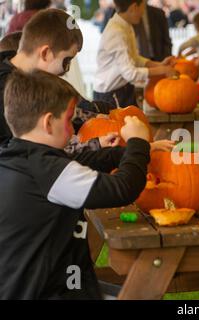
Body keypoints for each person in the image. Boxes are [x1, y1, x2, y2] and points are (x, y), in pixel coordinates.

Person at [0, 69, 174, 299]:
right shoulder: (49, 172)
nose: (73, 130)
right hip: (50, 292)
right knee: (146, 293)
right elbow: (123, 188)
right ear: (49, 122)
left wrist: (127, 152)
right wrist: (137, 142)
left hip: (33, 285)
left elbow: (81, 160)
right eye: (70, 120)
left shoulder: (18, 157)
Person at [0, 9, 116, 151]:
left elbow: (71, 111)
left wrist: (102, 113)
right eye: (66, 61)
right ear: (45, 53)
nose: (65, 71)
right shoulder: (6, 91)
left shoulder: (33, 80)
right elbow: (27, 153)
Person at [94, 0, 177, 108]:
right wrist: (162, 70)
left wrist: (159, 65)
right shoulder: (116, 32)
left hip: (124, 89)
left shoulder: (125, 25)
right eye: (143, 7)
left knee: (137, 123)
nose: (143, 13)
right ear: (134, 7)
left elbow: (134, 58)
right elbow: (130, 73)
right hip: (110, 95)